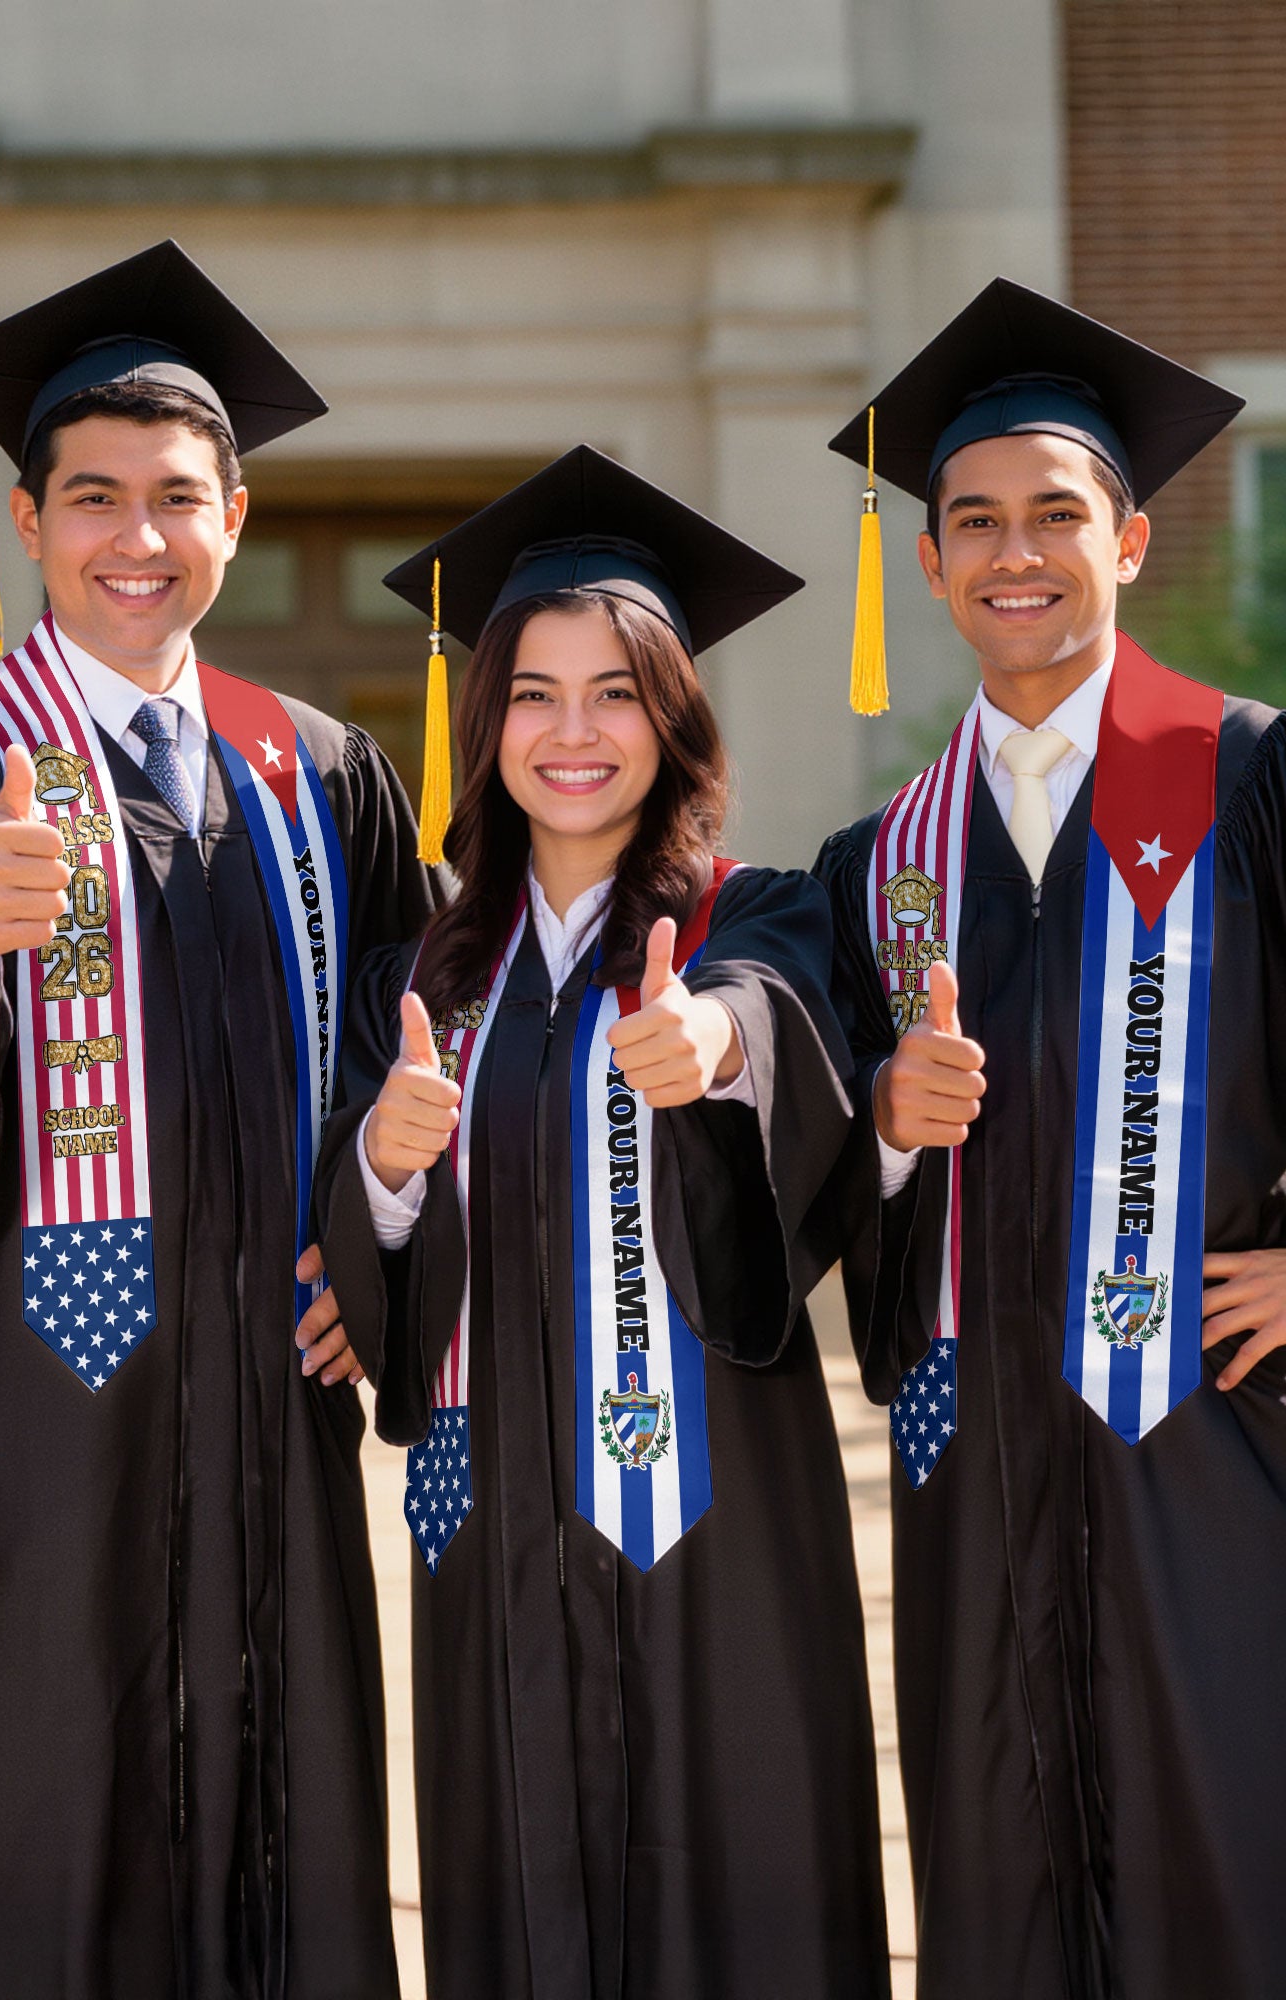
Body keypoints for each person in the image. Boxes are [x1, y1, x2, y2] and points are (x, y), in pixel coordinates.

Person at [0, 241, 438, 1998]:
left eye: (178, 498)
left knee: (294, 1820)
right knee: (52, 1838)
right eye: (94, 498)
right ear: (28, 522)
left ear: (235, 515)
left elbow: (430, 1030)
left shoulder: (319, 769)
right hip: (49, 1416)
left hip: (274, 1400)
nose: (136, 538)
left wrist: (382, 1243)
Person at [314, 446, 890, 1999]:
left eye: (618, 692)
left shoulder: (756, 915)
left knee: (743, 1889)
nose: (575, 734)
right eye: (534, 694)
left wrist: (713, 1047)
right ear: (484, 720)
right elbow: (368, 1247)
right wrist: (381, 1158)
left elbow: (781, 1024)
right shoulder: (423, 977)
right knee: (517, 1892)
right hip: (487, 1514)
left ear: (675, 717)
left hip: (718, 1521)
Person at [814, 279, 1286, 1999]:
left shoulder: (1257, 778)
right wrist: (881, 1125)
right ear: (934, 562)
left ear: (1132, 539)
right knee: (1000, 1883)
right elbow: (810, 1170)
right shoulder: (882, 861)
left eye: (1055, 515)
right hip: (976, 1468)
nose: (1012, 552)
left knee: (1237, 1869)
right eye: (973, 522)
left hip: (1217, 1446)